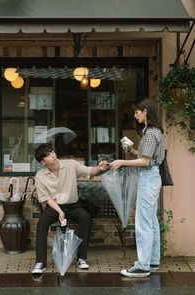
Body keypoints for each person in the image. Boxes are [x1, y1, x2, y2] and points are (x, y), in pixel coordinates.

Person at [32, 143, 108, 274]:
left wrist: (99, 168)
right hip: (54, 207)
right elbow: (47, 199)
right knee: (42, 223)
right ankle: (40, 262)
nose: (52, 155)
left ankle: (82, 258)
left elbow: (90, 171)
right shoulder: (40, 176)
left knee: (85, 217)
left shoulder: (70, 165)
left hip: (73, 205)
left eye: (52, 152)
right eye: (47, 155)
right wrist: (60, 211)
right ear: (42, 162)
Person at [110, 98, 165, 278]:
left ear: (145, 112)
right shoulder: (154, 131)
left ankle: (142, 266)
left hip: (148, 178)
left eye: (137, 112)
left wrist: (121, 162)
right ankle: (153, 261)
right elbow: (144, 156)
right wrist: (132, 150)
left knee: (143, 223)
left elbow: (145, 161)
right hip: (152, 177)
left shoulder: (150, 133)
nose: (135, 115)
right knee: (152, 222)